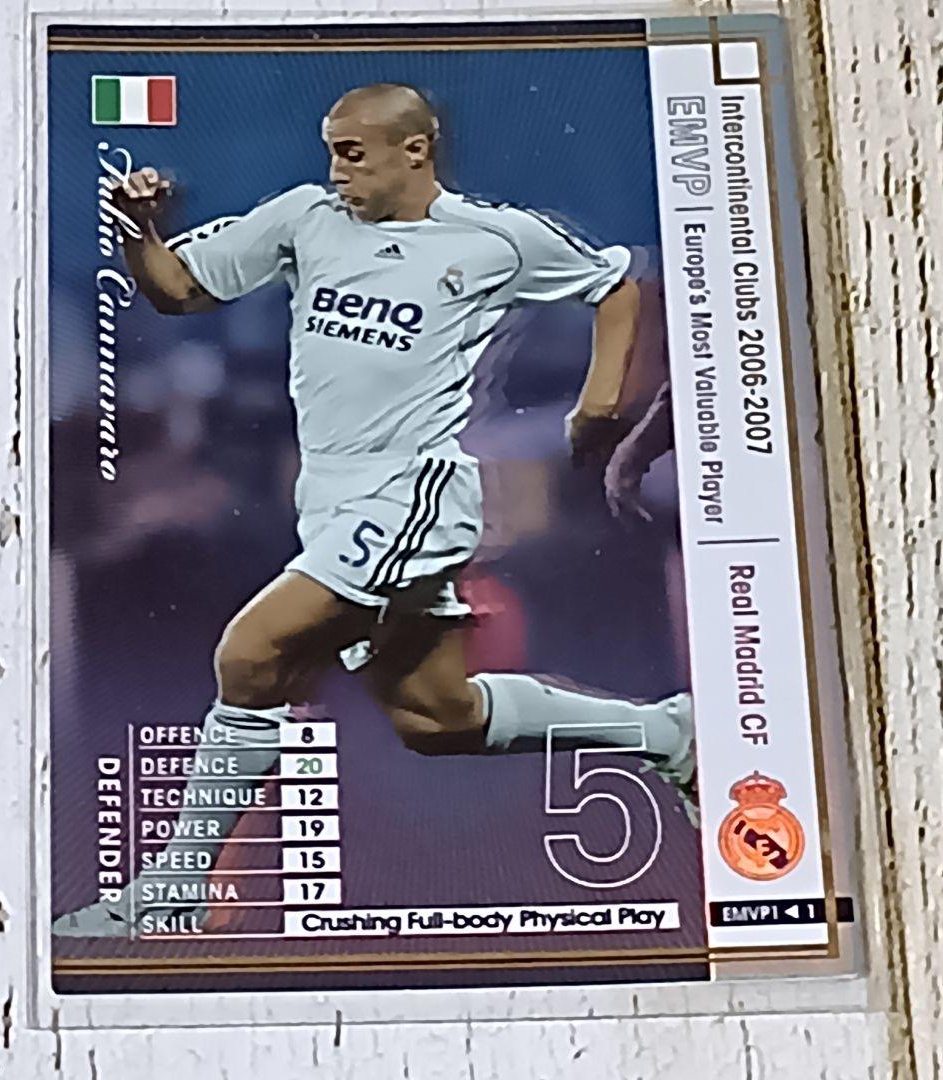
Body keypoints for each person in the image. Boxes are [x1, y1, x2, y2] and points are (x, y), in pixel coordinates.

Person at [55, 83, 694, 937]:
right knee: (437, 716)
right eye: (331, 150)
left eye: (352, 153)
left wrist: (598, 407)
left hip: (411, 496)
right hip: (330, 498)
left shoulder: (492, 238)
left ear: (415, 150)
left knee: (250, 653)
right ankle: (665, 732)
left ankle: (179, 884)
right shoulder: (304, 220)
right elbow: (177, 290)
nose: (337, 169)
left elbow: (617, 286)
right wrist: (140, 230)